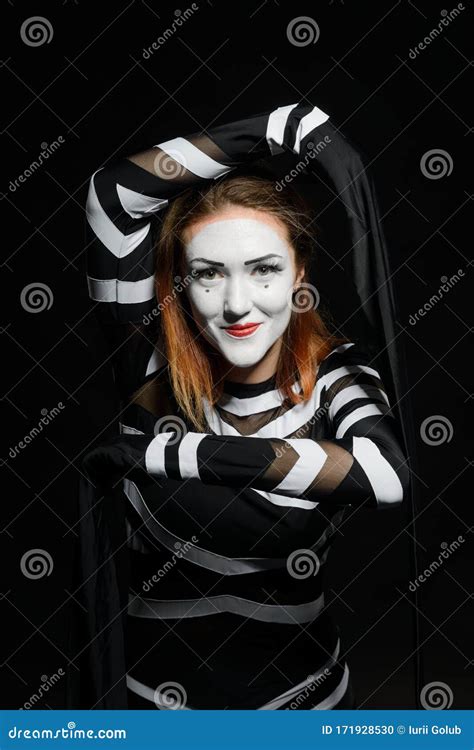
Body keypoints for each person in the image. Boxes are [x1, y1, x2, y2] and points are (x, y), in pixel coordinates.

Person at [72, 102, 410, 710]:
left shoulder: (335, 376)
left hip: (304, 707)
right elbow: (114, 194)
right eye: (207, 274)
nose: (236, 303)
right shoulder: (147, 365)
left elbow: (385, 475)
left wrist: (168, 456)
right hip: (152, 708)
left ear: (298, 272)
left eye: (263, 269)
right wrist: (285, 128)